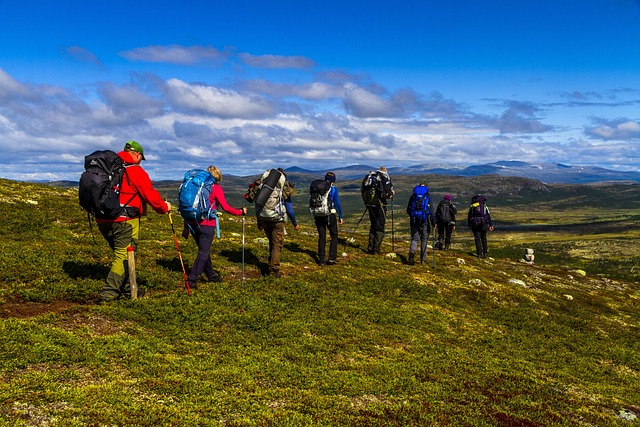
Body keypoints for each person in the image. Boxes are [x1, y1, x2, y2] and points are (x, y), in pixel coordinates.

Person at [96, 140, 171, 302]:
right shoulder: (135, 170)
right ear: (137, 155)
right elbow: (150, 196)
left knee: (122, 254)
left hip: (102, 218)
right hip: (125, 219)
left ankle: (131, 288)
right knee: (123, 255)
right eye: (140, 158)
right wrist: (164, 208)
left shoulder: (109, 167)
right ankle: (108, 295)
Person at [183, 166, 247, 290]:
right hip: (207, 224)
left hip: (193, 223)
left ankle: (211, 275)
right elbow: (226, 207)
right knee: (203, 252)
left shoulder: (196, 187)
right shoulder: (215, 188)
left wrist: (186, 226)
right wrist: (240, 212)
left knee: (204, 250)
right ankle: (191, 281)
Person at [256, 168, 298, 278]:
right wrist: (294, 223)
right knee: (277, 244)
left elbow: (257, 204)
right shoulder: (283, 188)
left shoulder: (263, 186)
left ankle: (271, 263)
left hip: (263, 217)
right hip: (277, 219)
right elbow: (289, 209)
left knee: (272, 241)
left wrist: (259, 220)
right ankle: (274, 270)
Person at [363, 166, 395, 254]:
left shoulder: (370, 176)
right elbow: (389, 193)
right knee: (380, 226)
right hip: (380, 205)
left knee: (373, 224)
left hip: (370, 204)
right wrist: (391, 194)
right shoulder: (384, 176)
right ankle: (376, 249)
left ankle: (370, 247)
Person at [314, 172, 344, 265]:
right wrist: (340, 216)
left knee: (322, 236)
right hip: (330, 214)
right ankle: (331, 258)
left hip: (318, 214)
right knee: (334, 235)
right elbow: (337, 203)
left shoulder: (317, 188)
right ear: (333, 181)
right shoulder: (333, 189)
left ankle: (322, 259)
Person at [406, 182, 435, 265]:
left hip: (414, 220)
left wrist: (412, 216)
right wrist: (433, 222)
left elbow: (408, 209)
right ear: (426, 186)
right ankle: (423, 260)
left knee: (414, 239)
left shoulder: (413, 196)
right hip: (424, 221)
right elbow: (431, 211)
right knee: (424, 239)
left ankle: (412, 251)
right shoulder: (427, 196)